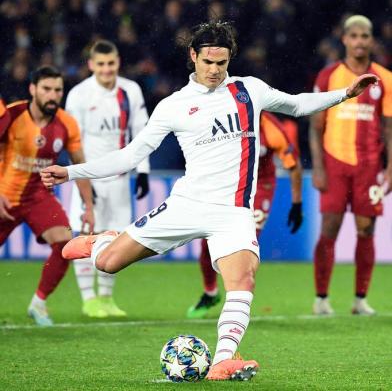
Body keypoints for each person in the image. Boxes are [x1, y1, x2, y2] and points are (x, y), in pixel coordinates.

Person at [41, 21, 377, 381]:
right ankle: (101, 243)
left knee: (243, 279)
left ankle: (221, 361)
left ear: (230, 58)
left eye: (222, 62)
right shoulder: (174, 106)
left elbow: (297, 105)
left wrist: (345, 93)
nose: (215, 70)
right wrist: (72, 172)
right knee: (107, 264)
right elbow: (130, 155)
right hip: (186, 204)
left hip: (232, 213)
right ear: (193, 57)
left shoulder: (250, 90)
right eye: (207, 62)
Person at [309, 15, 392, 316]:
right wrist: (318, 167)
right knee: (329, 228)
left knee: (366, 230)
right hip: (334, 163)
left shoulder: (385, 78)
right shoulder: (328, 76)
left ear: (371, 40)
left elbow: (389, 128)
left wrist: (390, 167)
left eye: (364, 36)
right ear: (344, 39)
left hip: (369, 166)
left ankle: (360, 300)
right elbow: (316, 126)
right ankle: (321, 298)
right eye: (354, 35)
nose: (359, 41)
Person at [0, 66, 94, 326]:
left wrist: (88, 207)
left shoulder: (66, 123)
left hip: (39, 196)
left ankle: (39, 303)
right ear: (33, 89)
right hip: (5, 196)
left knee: (65, 242)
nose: (53, 95)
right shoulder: (12, 114)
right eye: (47, 89)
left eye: (58, 90)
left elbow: (79, 166)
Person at [187, 112, 303, 319]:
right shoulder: (224, 119)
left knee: (246, 245)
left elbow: (293, 164)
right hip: (228, 186)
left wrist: (297, 203)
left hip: (260, 187)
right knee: (207, 243)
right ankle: (210, 292)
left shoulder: (271, 127)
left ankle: (237, 302)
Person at [65, 40, 150, 318]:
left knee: (116, 238)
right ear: (91, 65)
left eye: (110, 64)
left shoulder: (131, 91)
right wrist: (84, 182)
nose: (106, 69)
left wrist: (144, 172)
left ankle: (106, 298)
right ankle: (88, 299)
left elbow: (142, 133)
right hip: (90, 178)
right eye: (100, 64)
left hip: (119, 180)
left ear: (118, 63)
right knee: (86, 235)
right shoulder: (78, 95)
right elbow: (73, 142)